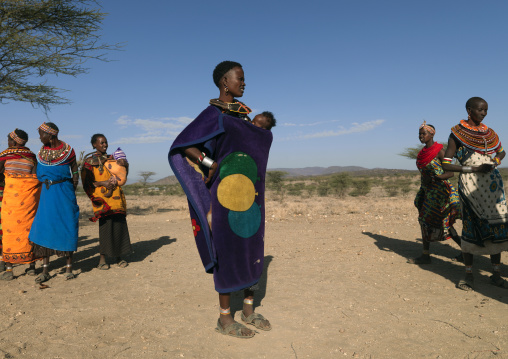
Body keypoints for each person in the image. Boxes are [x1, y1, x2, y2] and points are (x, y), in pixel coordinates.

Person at [169, 61, 273, 338]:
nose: (244, 83)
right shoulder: (213, 114)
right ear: (224, 82)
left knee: (253, 246)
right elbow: (184, 143)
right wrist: (208, 162)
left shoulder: (243, 117)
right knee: (227, 251)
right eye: (240, 78)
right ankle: (224, 318)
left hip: (251, 197)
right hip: (225, 198)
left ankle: (249, 309)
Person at [442, 97, 508, 290]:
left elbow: (502, 152)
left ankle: (495, 274)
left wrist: (495, 162)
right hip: (470, 184)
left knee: (498, 226)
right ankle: (469, 275)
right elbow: (446, 164)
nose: (484, 113)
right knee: (471, 226)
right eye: (480, 110)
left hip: (493, 186)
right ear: (469, 110)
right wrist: (473, 170)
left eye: (486, 110)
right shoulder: (457, 133)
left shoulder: (490, 134)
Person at [29, 122, 80, 283]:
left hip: (64, 192)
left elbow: (75, 169)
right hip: (47, 194)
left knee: (67, 226)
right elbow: (36, 173)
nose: (39, 137)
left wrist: (73, 185)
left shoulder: (68, 151)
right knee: (44, 227)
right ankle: (45, 269)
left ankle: (69, 268)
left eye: (41, 134)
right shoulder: (41, 153)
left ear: (51, 135)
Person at [408, 122, 461, 265]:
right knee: (425, 222)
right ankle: (426, 255)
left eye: (423, 133)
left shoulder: (440, 151)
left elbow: (450, 173)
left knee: (445, 224)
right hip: (427, 191)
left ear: (432, 134)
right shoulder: (422, 154)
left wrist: (435, 178)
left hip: (440, 193)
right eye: (419, 134)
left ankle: (466, 252)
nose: (420, 136)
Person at [81, 134, 131, 269]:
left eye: (106, 142)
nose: (104, 145)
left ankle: (119, 257)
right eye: (101, 143)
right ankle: (102, 259)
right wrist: (103, 182)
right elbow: (87, 182)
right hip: (102, 199)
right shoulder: (88, 162)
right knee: (105, 228)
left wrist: (125, 165)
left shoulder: (112, 159)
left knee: (119, 226)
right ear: (94, 145)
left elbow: (123, 174)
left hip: (116, 198)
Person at [0, 129, 41, 280]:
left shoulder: (5, 156)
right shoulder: (31, 157)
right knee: (29, 231)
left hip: (11, 201)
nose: (8, 143)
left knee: (9, 232)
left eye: (9, 140)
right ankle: (31, 266)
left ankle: (9, 268)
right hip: (29, 201)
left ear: (15, 141)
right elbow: (36, 178)